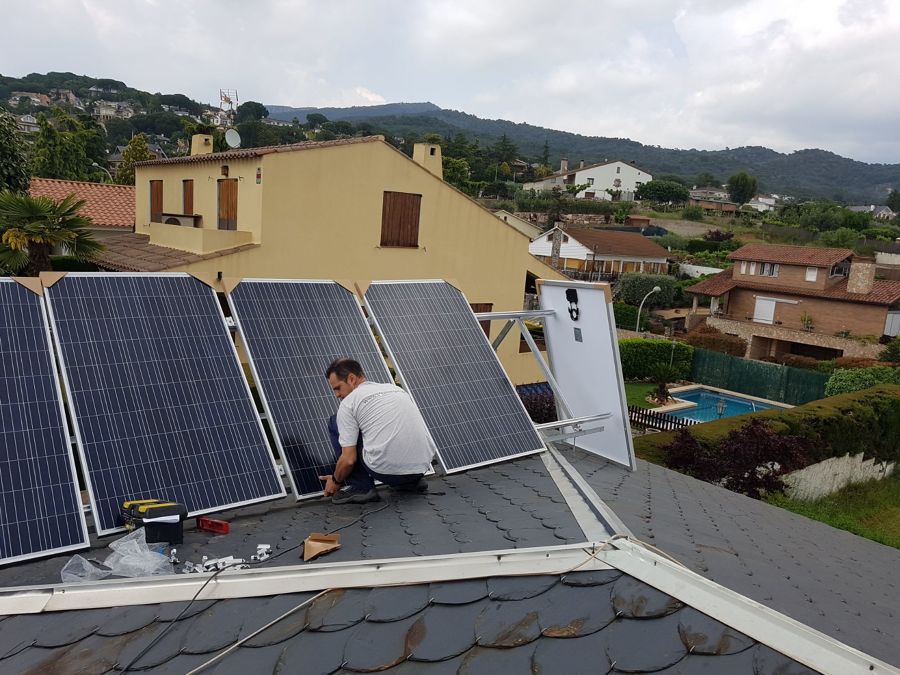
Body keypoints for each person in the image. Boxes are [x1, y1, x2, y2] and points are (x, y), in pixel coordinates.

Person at [320, 357, 435, 504]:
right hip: (420, 468)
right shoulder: (396, 389)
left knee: (335, 421)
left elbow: (349, 460)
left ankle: (360, 487)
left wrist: (336, 481)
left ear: (351, 379)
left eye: (338, 388)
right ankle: (410, 483)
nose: (337, 395)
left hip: (387, 473)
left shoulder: (349, 403)